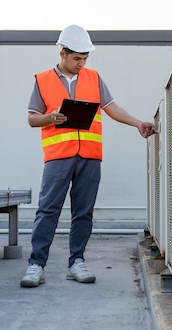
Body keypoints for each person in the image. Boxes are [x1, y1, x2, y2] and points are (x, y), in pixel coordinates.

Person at [21, 24, 157, 288]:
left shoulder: (93, 78)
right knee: (48, 211)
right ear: (62, 53)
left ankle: (76, 262)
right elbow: (31, 118)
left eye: (85, 58)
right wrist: (50, 118)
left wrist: (137, 123)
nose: (81, 63)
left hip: (90, 157)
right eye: (77, 58)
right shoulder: (43, 80)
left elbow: (111, 107)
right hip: (58, 157)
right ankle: (36, 265)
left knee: (83, 212)